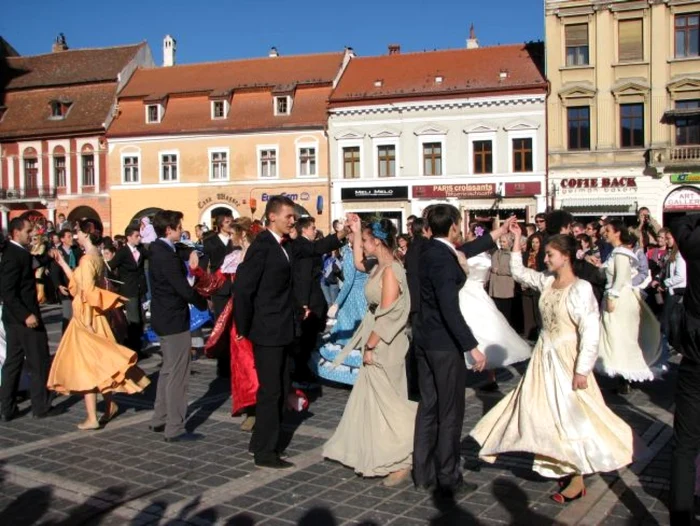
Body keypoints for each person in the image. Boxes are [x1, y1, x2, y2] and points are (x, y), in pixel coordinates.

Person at [472, 224, 641, 504]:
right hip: (543, 357)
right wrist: (515, 243)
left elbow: (590, 331)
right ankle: (560, 464)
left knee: (570, 417)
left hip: (567, 359)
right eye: (547, 255)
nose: (546, 259)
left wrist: (582, 370)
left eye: (550, 254)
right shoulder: (548, 281)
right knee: (543, 412)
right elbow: (520, 272)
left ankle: (575, 476)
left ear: (565, 256)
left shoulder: (581, 288)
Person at [412, 205, 515, 497]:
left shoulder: (428, 250)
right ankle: (447, 476)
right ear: (454, 227)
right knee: (450, 412)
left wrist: (498, 231)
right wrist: (472, 346)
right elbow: (449, 307)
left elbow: (465, 249)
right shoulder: (444, 259)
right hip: (444, 344)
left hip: (424, 339)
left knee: (428, 408)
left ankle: (422, 472)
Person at [234, 195, 344, 469]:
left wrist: (341, 235)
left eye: (294, 217)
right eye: (289, 216)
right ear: (272, 217)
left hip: (284, 327)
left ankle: (260, 442)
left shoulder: (286, 245)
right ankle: (265, 452)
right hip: (267, 330)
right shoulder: (262, 245)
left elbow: (314, 248)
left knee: (281, 387)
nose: (293, 220)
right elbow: (244, 288)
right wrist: (244, 326)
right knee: (271, 391)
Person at [323, 216, 416, 486]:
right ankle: (383, 450)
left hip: (385, 343)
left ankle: (403, 456)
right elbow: (359, 263)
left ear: (377, 241)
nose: (362, 245)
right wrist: (354, 232)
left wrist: (371, 345)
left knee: (390, 402)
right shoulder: (379, 265)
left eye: (365, 240)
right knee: (376, 401)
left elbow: (388, 313)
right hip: (376, 337)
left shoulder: (391, 270)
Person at [47, 219, 149, 429]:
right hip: (97, 316)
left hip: (87, 316)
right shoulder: (97, 256)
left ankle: (93, 417)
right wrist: (63, 264)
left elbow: (83, 292)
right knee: (101, 363)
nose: (75, 235)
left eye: (77, 232)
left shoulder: (87, 259)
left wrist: (85, 323)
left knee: (86, 366)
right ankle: (109, 406)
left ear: (84, 234)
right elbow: (80, 284)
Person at [191, 218, 259, 430]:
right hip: (239, 317)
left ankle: (264, 406)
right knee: (243, 364)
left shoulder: (261, 255)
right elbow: (216, 283)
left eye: (234, 233)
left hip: (260, 315)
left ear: (243, 234)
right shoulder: (233, 258)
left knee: (259, 363)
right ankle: (251, 408)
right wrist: (198, 272)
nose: (232, 238)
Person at [149, 210, 208, 442]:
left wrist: (192, 251)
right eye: (178, 226)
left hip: (163, 318)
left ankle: (159, 417)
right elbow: (182, 288)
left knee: (167, 369)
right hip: (173, 320)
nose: (181, 229)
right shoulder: (166, 256)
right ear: (168, 230)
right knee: (178, 374)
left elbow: (182, 248)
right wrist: (203, 302)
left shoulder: (159, 249)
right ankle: (174, 426)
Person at [0, 218, 62, 421]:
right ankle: (41, 406)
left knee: (13, 363)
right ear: (16, 233)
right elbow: (7, 292)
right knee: (39, 361)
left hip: (14, 319)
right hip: (25, 318)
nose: (31, 234)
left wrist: (48, 257)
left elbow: (32, 263)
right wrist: (26, 315)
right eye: (28, 231)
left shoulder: (18, 252)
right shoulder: (13, 254)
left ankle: (7, 408)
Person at [596, 219, 660, 393]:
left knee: (621, 336)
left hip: (619, 299)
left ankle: (626, 375)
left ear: (617, 232)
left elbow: (620, 279)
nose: (604, 233)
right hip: (614, 296)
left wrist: (612, 296)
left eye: (608, 230)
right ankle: (622, 375)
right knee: (615, 336)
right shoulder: (616, 252)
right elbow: (611, 273)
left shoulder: (622, 253)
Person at [668, 214, 700, 526]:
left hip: (696, 354)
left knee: (686, 444)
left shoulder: (694, 243)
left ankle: (680, 515)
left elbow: (679, 225)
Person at [314, 230, 374, 386]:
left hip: (352, 299)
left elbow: (348, 283)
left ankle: (348, 375)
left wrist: (337, 303)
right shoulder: (365, 254)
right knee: (360, 333)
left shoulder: (352, 254)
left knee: (348, 334)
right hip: (364, 296)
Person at [106, 225, 149, 359]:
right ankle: (132, 349)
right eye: (136, 236)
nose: (139, 238)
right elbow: (110, 267)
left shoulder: (141, 249)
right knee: (133, 319)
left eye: (139, 235)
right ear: (129, 237)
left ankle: (139, 347)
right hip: (129, 289)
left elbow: (152, 255)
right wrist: (118, 282)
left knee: (142, 319)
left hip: (140, 288)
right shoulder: (123, 252)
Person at [204, 212, 236, 379]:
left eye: (231, 221)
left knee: (234, 326)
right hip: (220, 288)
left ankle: (234, 362)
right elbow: (205, 266)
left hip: (234, 287)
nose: (231, 224)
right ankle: (223, 365)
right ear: (220, 224)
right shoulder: (210, 242)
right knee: (221, 325)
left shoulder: (235, 240)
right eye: (228, 222)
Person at [50, 229, 82, 333]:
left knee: (79, 315)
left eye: (71, 236)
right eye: (68, 236)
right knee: (68, 316)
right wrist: (58, 285)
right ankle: (65, 339)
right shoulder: (58, 252)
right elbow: (54, 271)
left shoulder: (77, 250)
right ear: (62, 239)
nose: (71, 238)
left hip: (78, 286)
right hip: (66, 287)